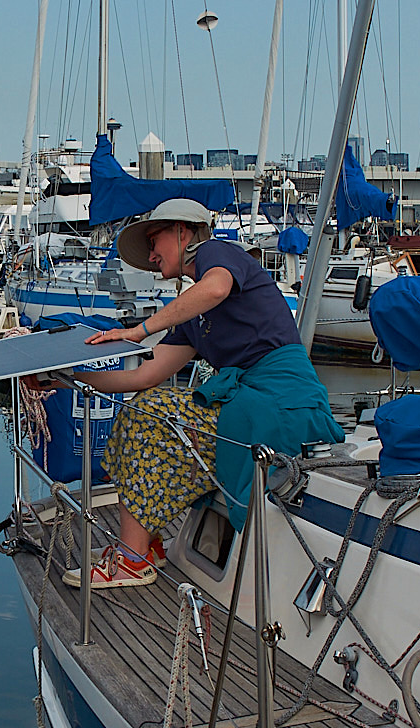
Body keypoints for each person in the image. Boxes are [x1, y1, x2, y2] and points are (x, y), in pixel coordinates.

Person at [65, 198, 344, 589]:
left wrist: (139, 330)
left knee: (146, 415)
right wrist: (69, 379)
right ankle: (142, 547)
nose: (150, 254)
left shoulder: (218, 253)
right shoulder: (193, 318)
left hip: (283, 405)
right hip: (248, 405)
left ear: (183, 232)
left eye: (154, 240)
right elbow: (145, 375)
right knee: (141, 409)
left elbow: (214, 290)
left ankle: (132, 559)